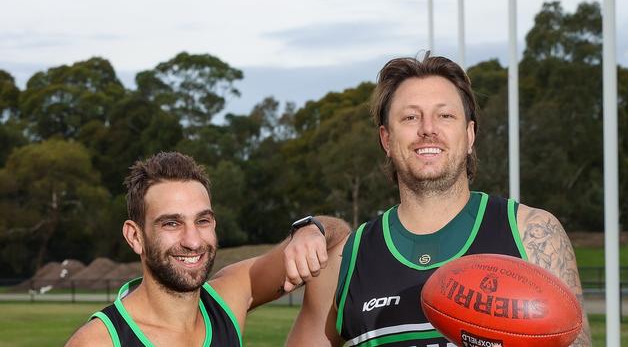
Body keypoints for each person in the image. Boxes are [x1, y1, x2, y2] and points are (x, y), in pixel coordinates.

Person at [286, 54, 592, 346]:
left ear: (470, 135)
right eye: (410, 117)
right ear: (387, 139)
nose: (428, 129)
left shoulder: (532, 232)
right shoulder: (344, 261)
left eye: (445, 115)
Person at [66, 152, 349, 346]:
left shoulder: (231, 296)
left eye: (202, 220)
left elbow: (338, 236)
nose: (193, 240)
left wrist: (310, 229)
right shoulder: (99, 341)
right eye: (171, 223)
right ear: (135, 236)